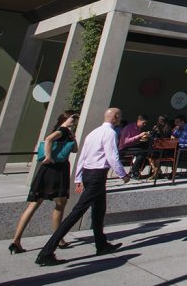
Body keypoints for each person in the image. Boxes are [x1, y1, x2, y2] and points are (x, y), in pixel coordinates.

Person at [36, 107, 129, 267]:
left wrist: (79, 177)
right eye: (119, 116)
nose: (120, 119)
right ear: (115, 117)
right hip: (97, 175)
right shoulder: (110, 133)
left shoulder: (93, 133)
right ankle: (46, 252)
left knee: (99, 210)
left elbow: (83, 156)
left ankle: (101, 245)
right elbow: (112, 156)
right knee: (77, 212)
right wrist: (123, 174)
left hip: (88, 173)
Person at [10, 112, 79, 253]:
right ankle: (58, 239)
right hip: (57, 170)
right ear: (65, 119)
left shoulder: (65, 132)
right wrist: (48, 156)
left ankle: (16, 240)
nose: (75, 120)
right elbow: (48, 139)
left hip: (46, 171)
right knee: (60, 204)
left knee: (34, 204)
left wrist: (73, 136)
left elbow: (74, 149)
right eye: (73, 117)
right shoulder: (62, 131)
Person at [118, 114, 150, 178]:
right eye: (143, 123)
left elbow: (134, 140)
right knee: (142, 152)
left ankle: (136, 170)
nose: (144, 125)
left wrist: (142, 139)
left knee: (148, 151)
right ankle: (133, 171)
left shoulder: (138, 128)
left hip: (132, 146)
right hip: (124, 148)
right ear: (139, 121)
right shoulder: (129, 128)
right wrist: (139, 136)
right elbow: (125, 142)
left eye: (145, 123)